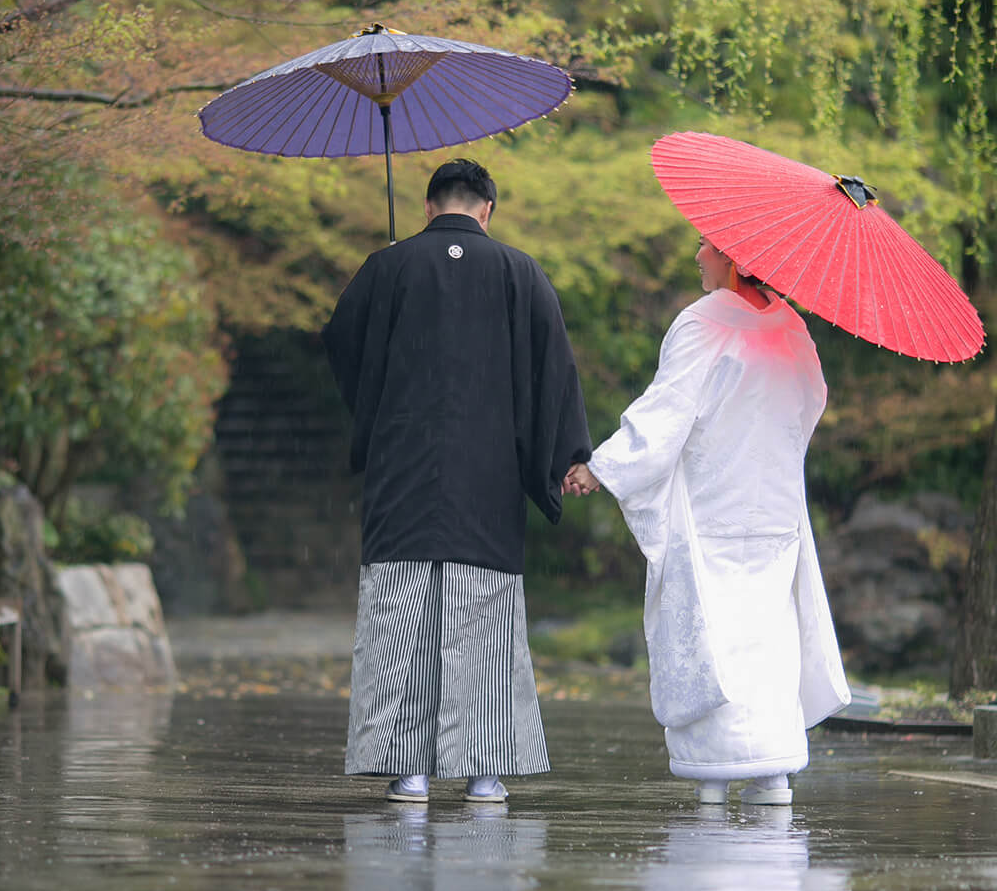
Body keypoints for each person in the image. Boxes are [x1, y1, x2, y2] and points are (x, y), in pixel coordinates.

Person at [323, 157, 593, 805]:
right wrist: (566, 458)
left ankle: (406, 769)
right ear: (486, 210)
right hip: (488, 474)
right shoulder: (520, 272)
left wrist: (379, 402)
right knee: (484, 615)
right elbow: (555, 369)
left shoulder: (387, 267)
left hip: (403, 471)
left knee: (402, 612)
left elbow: (341, 343)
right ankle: (486, 772)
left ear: (428, 207)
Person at [569, 235, 849, 807]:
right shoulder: (792, 328)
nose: (697, 256)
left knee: (712, 633)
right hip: (772, 505)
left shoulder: (701, 324)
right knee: (768, 635)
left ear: (737, 258)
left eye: (706, 247)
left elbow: (666, 412)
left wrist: (601, 467)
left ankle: (715, 777)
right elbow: (810, 402)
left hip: (713, 505)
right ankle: (773, 774)